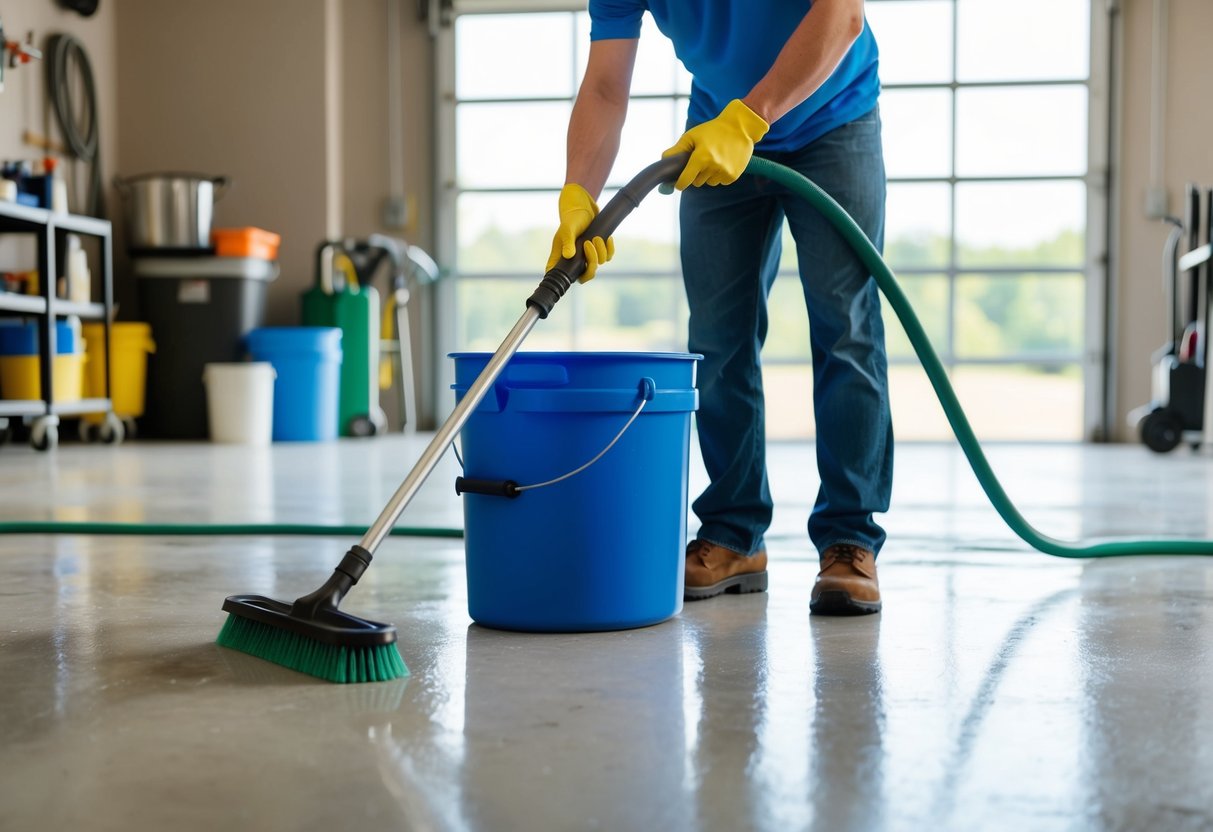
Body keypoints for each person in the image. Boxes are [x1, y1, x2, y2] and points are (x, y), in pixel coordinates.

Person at [547, 0, 890, 616]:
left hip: (832, 115)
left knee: (846, 329)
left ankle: (849, 539)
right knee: (716, 338)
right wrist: (578, 193)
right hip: (716, 130)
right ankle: (733, 534)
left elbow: (843, 15)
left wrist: (751, 119)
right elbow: (604, 84)